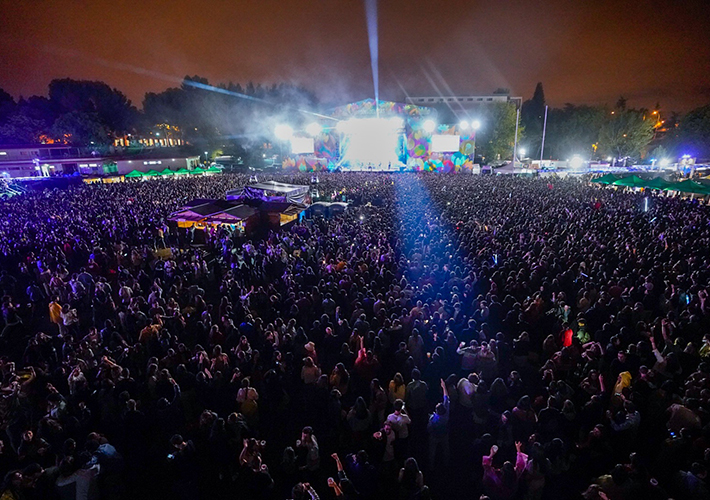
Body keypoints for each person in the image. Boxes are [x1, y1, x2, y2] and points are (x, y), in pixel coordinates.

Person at [427, 379, 450, 470]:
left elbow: (429, 428)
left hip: (435, 436)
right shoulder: (446, 412)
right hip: (444, 434)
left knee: (432, 450)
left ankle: (431, 465)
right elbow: (446, 397)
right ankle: (447, 463)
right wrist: (444, 387)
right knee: (446, 449)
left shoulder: (433, 419)